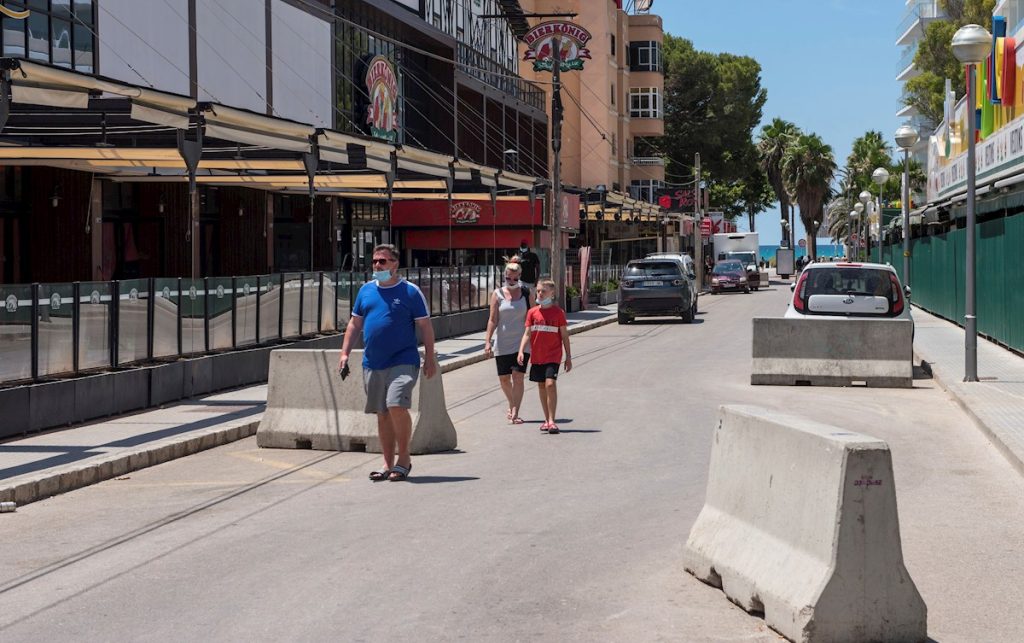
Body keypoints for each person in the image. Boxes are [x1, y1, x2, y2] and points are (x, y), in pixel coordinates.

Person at [338, 244, 437, 482]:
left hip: (403, 359)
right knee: (382, 413)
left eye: (382, 261)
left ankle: (404, 459)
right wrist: (344, 354)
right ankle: (387, 463)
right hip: (373, 362)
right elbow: (355, 324)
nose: (377, 265)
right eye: (374, 261)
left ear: (395, 264)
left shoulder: (410, 292)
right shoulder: (366, 291)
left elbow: (425, 326)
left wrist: (430, 357)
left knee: (396, 405)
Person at [484, 257, 535, 424]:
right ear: (504, 276)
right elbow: (493, 319)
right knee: (504, 379)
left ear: (519, 276)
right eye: (508, 278)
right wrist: (487, 341)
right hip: (502, 342)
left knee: (518, 377)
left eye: (515, 278)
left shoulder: (526, 293)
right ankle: (512, 403)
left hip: (522, 343)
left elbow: (534, 316)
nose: (511, 281)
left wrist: (535, 339)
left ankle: (515, 411)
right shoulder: (497, 294)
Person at [517, 279, 572, 434]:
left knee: (550, 384)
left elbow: (564, 336)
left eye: (544, 291)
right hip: (537, 356)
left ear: (552, 293)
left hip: (553, 355)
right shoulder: (532, 312)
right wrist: (521, 351)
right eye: (539, 291)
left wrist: (568, 357)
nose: (540, 294)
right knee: (541, 386)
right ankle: (547, 420)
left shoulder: (558, 313)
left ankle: (552, 421)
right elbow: (527, 334)